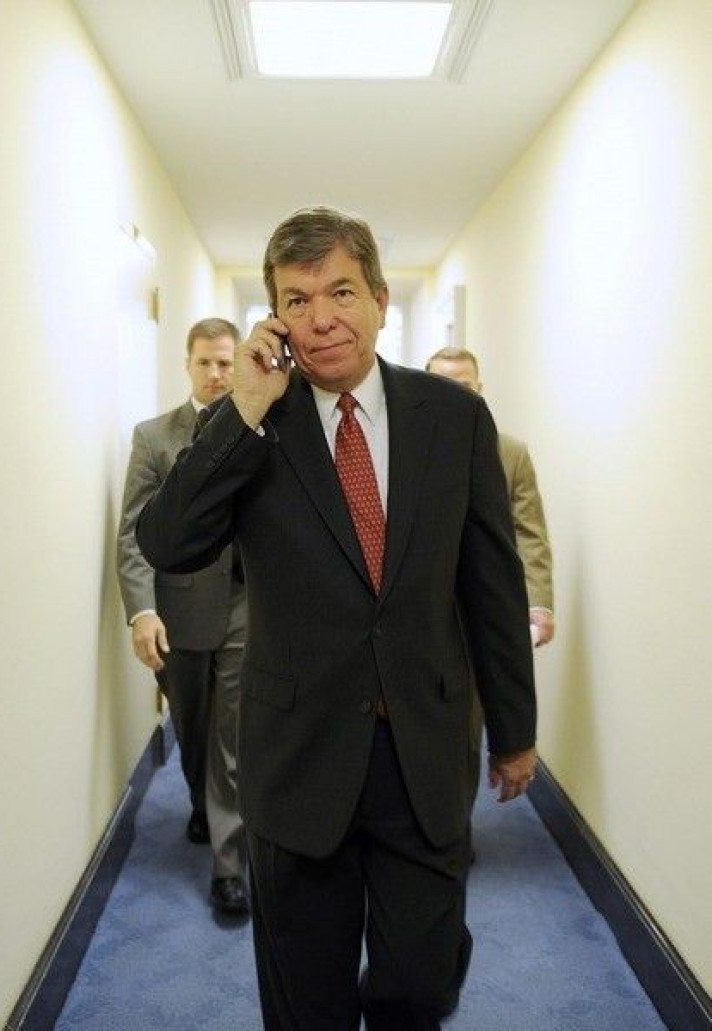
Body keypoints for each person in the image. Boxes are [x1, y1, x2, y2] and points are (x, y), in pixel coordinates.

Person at [137, 207, 537, 1029]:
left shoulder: (453, 419)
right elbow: (170, 541)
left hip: (422, 750)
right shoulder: (257, 422)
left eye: (342, 291)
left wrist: (515, 727)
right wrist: (241, 408)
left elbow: (491, 581)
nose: (321, 317)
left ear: (382, 300)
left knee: (420, 987)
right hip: (298, 757)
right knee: (304, 1001)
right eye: (296, 298)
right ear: (275, 316)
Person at [116, 317, 249, 917]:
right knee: (193, 728)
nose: (218, 373)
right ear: (189, 364)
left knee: (233, 736)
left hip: (248, 607)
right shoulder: (154, 438)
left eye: (227, 362)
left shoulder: (259, 425)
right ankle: (201, 800)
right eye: (207, 362)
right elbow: (133, 535)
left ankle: (230, 865)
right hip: (180, 610)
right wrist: (141, 611)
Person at [426, 345, 554, 811]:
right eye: (441, 385)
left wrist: (537, 604)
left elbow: (530, 533)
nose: (453, 396)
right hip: (421, 613)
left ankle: (453, 828)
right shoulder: (400, 445)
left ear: (479, 391)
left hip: (479, 615)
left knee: (467, 726)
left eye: (463, 387)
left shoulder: (509, 452)